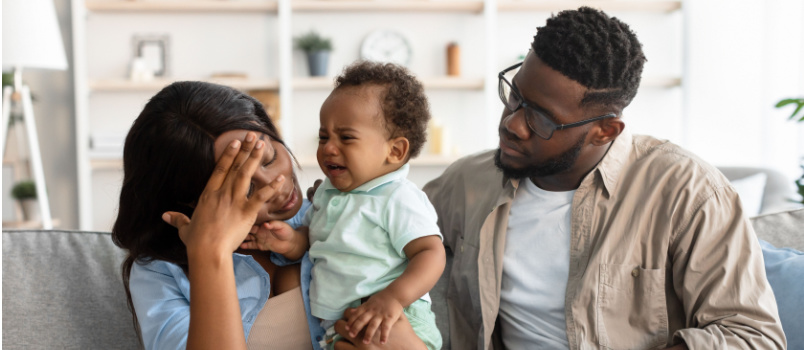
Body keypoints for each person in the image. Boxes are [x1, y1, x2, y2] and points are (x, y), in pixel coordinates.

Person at [422, 7, 786, 350]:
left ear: (605, 131)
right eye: (515, 96)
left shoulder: (688, 192)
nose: (512, 124)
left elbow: (752, 337)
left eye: (543, 119)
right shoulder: (468, 182)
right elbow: (384, 228)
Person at [112, 81, 423, 350]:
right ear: (192, 202)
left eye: (270, 157)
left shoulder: (332, 217)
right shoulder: (160, 273)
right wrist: (210, 252)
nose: (275, 186)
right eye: (244, 186)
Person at [244, 62, 445, 350]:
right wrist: (291, 242)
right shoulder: (328, 192)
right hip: (338, 324)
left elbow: (431, 253)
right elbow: (314, 240)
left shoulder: (397, 197)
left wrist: (393, 298)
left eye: (346, 137)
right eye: (323, 136)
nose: (328, 148)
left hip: (395, 317)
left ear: (395, 151)